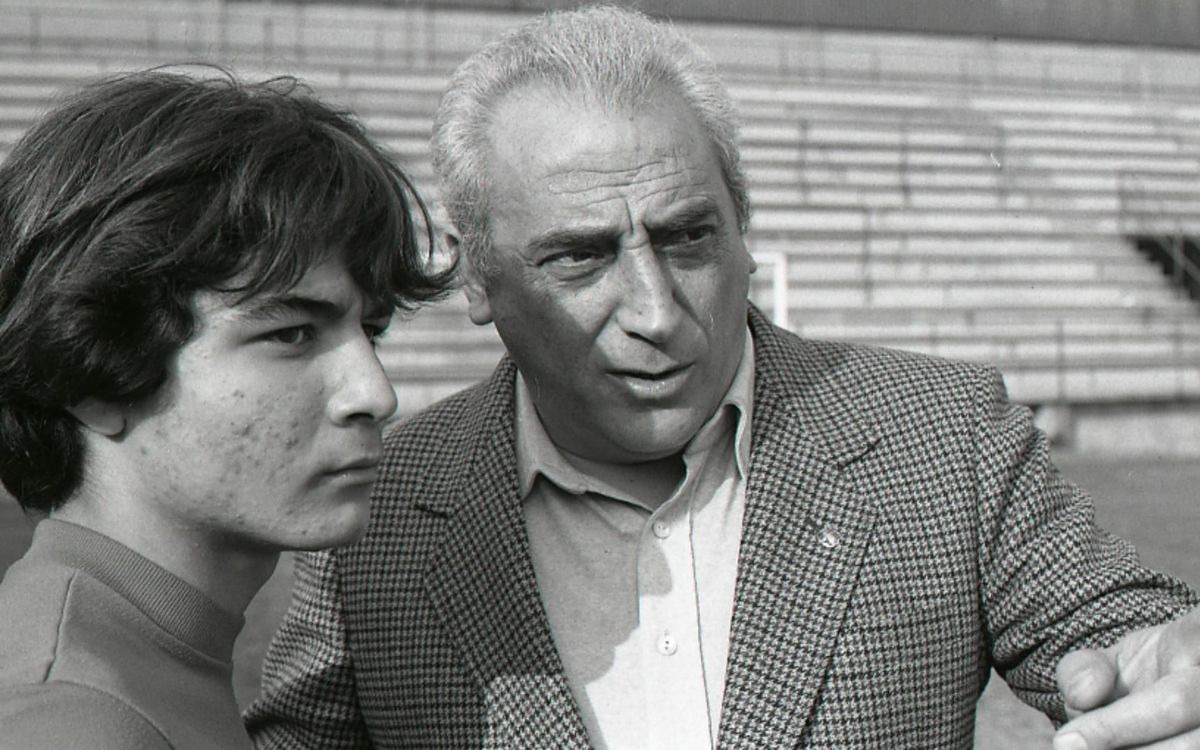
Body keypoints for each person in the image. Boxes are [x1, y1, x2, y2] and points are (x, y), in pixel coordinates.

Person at [247, 7, 1200, 749]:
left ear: (743, 224)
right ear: (477, 278)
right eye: (580, 257)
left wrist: (1166, 653)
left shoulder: (945, 435)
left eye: (687, 236)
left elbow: (1119, 625)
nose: (657, 311)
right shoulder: (379, 508)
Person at [0, 67, 451, 749]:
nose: (375, 394)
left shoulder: (137, 657)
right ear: (94, 376)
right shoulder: (73, 720)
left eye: (371, 331)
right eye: (291, 334)